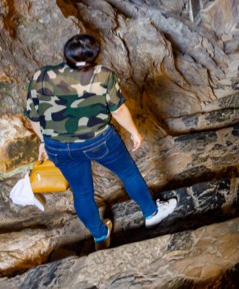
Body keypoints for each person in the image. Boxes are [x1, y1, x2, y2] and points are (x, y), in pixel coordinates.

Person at [25, 34, 177, 250]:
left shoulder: (41, 76)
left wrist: (45, 141)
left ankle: (99, 234)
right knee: (128, 173)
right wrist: (135, 133)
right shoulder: (102, 75)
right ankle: (151, 213)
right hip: (99, 141)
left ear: (66, 54)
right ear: (94, 55)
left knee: (82, 192)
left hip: (58, 147)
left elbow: (33, 118)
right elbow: (118, 110)